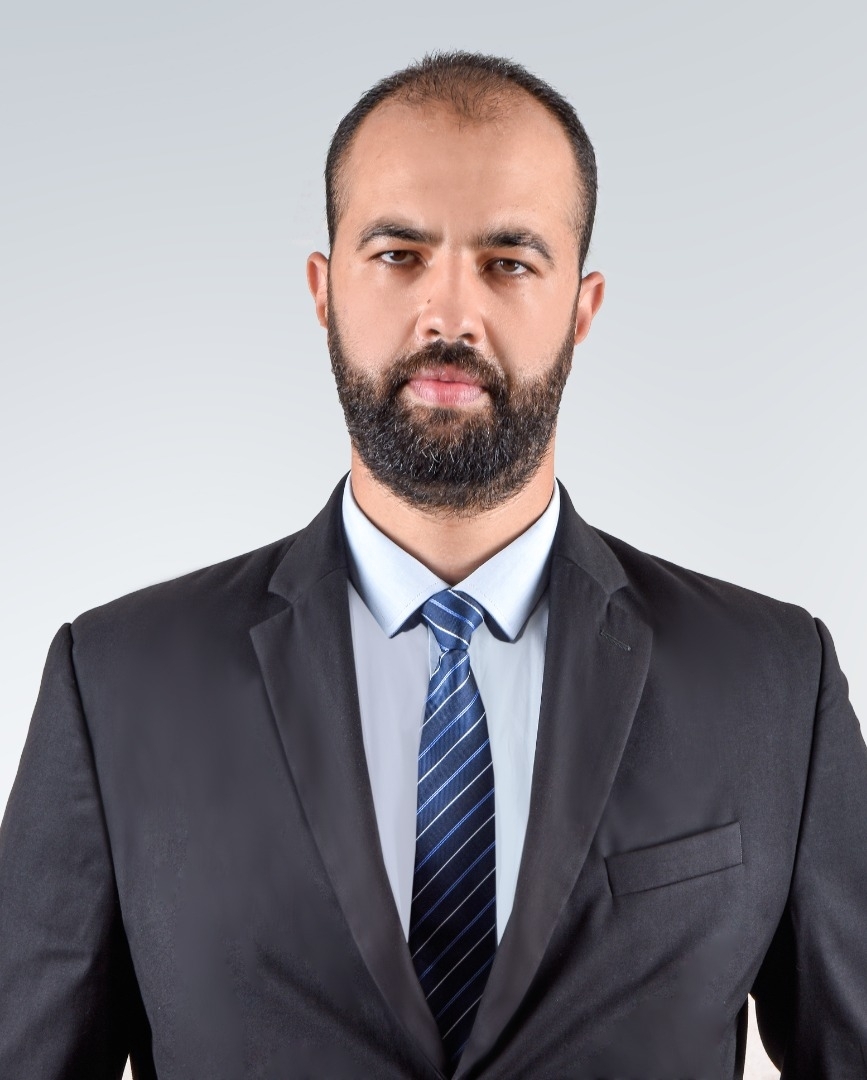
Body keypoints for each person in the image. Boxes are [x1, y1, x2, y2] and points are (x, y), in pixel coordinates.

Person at [0, 50, 865, 1080]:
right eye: (399, 254)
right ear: (323, 290)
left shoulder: (774, 682)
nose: (449, 315)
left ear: (582, 307)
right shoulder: (116, 682)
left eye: (509, 262)